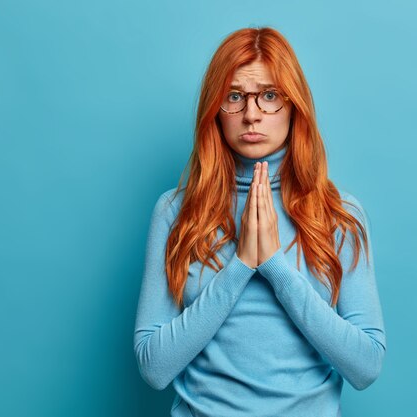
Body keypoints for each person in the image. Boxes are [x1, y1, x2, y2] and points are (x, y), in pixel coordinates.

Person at [134, 26, 386, 417]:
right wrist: (240, 267)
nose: (251, 115)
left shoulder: (340, 216)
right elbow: (154, 367)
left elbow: (366, 367)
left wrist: (276, 268)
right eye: (235, 97)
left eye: (269, 96)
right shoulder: (175, 213)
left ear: (294, 105)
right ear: (215, 110)